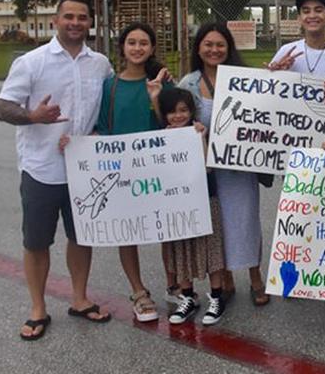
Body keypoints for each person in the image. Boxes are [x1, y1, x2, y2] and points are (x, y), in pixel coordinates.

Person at [0, 0, 113, 341]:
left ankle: (79, 298)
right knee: (37, 242)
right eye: (68, 17)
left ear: (90, 22)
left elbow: (105, 109)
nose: (75, 22)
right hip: (41, 168)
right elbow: (4, 108)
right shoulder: (31, 62)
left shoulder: (101, 64)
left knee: (81, 238)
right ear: (55, 21)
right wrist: (32, 117)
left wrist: (96, 133)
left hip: (84, 169)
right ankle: (37, 308)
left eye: (82, 17)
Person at [179, 23, 269, 306]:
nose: (214, 50)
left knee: (246, 221)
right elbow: (175, 121)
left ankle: (256, 278)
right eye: (208, 44)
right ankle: (226, 279)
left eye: (220, 45)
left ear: (229, 47)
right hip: (207, 172)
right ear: (198, 48)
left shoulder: (247, 79)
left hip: (240, 169)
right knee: (218, 227)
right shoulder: (188, 84)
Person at [93, 22, 171, 322]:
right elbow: (102, 128)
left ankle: (175, 283)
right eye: (132, 42)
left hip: (158, 166)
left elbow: (174, 123)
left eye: (144, 43)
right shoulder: (109, 86)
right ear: (122, 46)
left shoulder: (163, 82)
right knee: (127, 232)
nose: (138, 48)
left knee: (168, 228)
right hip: (121, 169)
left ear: (152, 48)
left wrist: (155, 97)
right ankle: (138, 290)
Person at [157, 87, 228, 326]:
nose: (178, 116)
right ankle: (187, 296)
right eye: (172, 112)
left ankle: (217, 297)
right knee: (182, 250)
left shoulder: (197, 131)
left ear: (191, 111)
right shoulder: (159, 137)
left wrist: (202, 138)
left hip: (205, 198)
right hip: (176, 203)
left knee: (211, 248)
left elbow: (208, 167)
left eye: (183, 110)